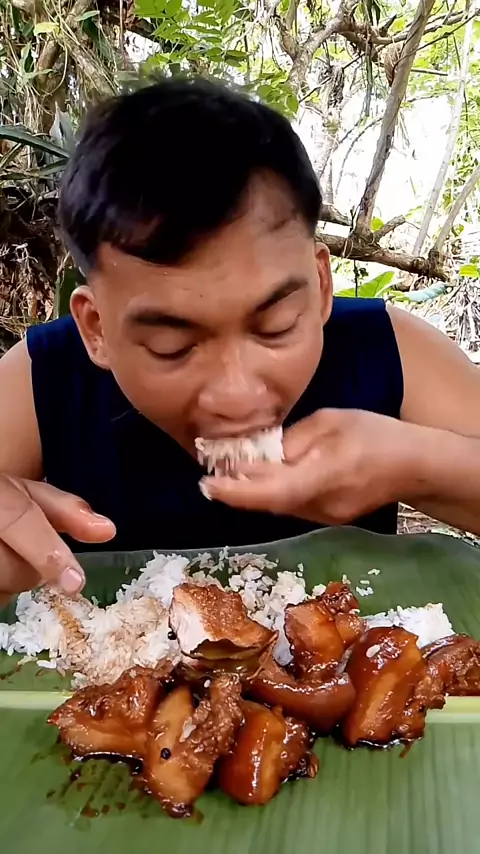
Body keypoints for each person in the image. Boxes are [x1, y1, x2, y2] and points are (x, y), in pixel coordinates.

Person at [1, 75, 480, 605]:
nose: (238, 395)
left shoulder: (386, 347)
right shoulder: (42, 378)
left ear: (321, 284)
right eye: (172, 347)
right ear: (96, 329)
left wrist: (420, 464)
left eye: (276, 326)